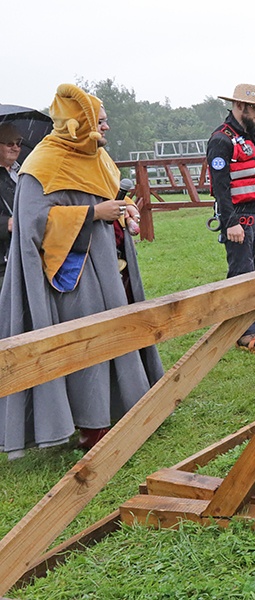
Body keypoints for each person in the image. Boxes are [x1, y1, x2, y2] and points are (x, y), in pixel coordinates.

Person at [0, 83, 164, 458]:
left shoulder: (97, 158)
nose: (105, 128)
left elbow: (108, 199)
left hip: (111, 266)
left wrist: (124, 209)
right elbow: (33, 224)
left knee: (120, 335)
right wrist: (93, 214)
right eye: (100, 122)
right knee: (89, 347)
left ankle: (129, 410)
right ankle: (91, 426)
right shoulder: (41, 165)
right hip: (73, 274)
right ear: (78, 124)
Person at [207, 83, 255, 353]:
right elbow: (220, 187)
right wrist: (230, 223)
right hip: (238, 216)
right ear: (240, 106)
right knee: (241, 272)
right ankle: (243, 331)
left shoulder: (253, 137)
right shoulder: (221, 140)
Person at [0, 123, 22, 291]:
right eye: (9, 143)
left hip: (22, 253)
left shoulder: (24, 172)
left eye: (19, 142)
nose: (15, 148)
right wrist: (6, 223)